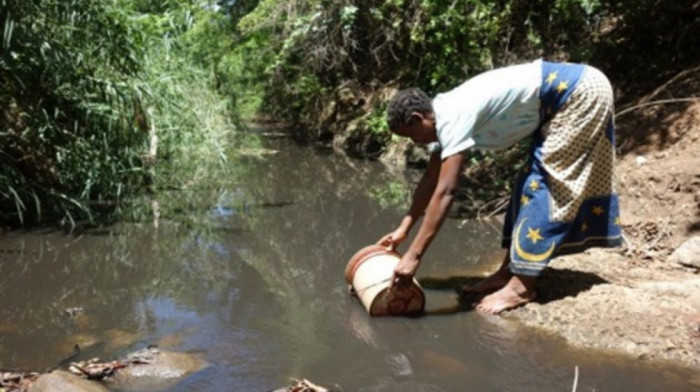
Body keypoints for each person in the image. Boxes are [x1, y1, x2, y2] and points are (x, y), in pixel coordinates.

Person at [377, 59, 622, 314]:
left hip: (580, 94)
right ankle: (509, 271)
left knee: (544, 188)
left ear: (418, 119)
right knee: (525, 187)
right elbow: (430, 178)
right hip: (564, 98)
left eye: (412, 135)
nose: (415, 141)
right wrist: (403, 229)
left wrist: (414, 256)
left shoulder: (453, 117)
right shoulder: (441, 114)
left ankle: (522, 287)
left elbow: (446, 191)